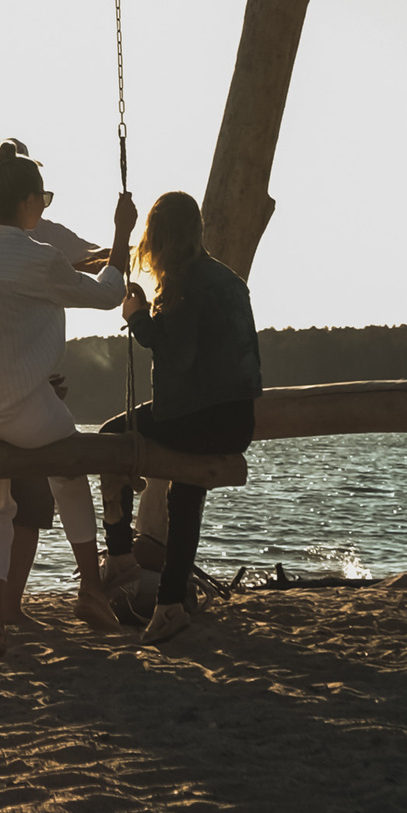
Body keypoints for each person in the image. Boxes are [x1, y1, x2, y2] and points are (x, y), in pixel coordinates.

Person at [0, 136, 135, 657]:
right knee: (69, 473)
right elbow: (110, 295)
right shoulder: (37, 257)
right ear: (27, 202)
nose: (43, 208)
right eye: (42, 200)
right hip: (25, 411)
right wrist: (122, 232)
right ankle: (90, 589)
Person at [100, 190, 261, 644]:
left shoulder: (186, 283)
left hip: (196, 419)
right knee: (185, 495)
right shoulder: (229, 280)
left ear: (159, 236)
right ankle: (169, 605)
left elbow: (177, 356)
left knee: (112, 437)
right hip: (237, 422)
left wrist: (137, 317)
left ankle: (118, 555)